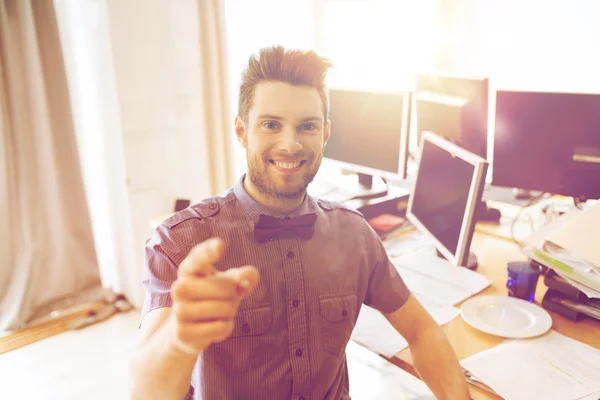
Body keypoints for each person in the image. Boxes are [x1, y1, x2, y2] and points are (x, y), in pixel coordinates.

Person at [130, 45, 470, 400]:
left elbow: (423, 332)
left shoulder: (354, 235)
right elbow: (145, 391)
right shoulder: (181, 242)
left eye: (306, 126)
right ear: (243, 131)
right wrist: (179, 339)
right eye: (271, 124)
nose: (290, 145)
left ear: (324, 134)